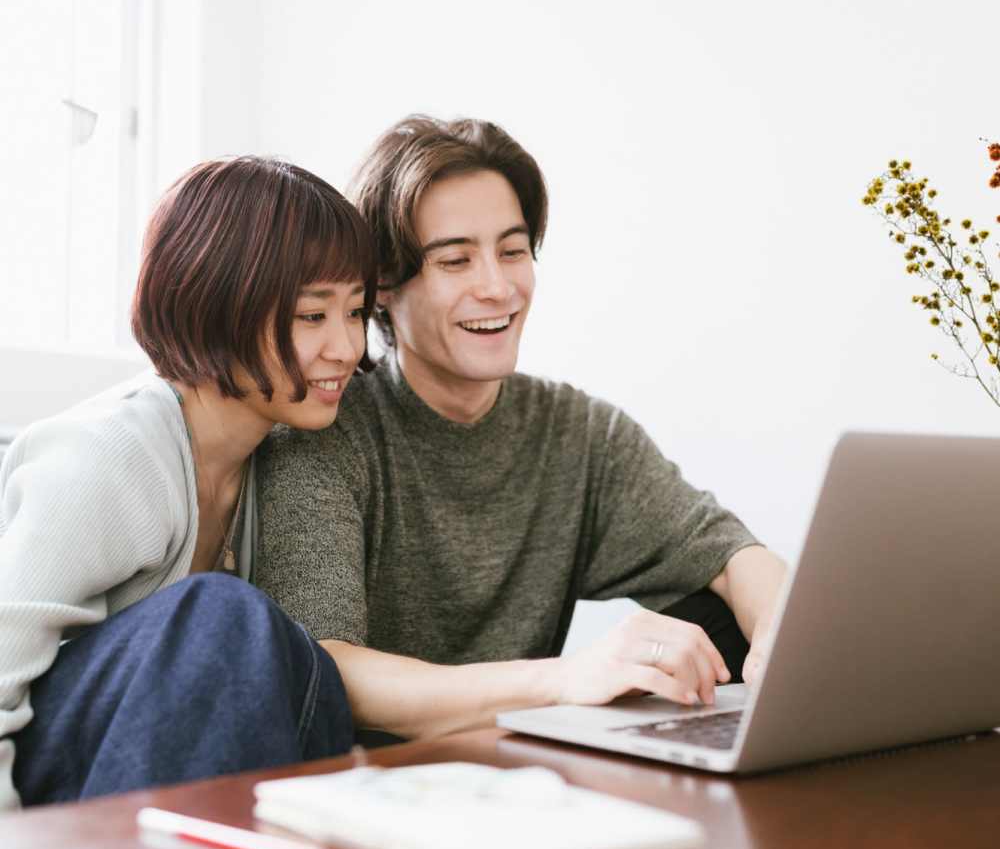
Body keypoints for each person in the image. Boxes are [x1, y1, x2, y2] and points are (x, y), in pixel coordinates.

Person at [254, 117, 787, 742]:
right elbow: (329, 667)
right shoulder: (324, 435)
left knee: (721, 619)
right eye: (456, 260)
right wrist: (565, 680)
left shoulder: (579, 433)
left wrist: (782, 635)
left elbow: (728, 552)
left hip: (525, 786)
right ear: (383, 289)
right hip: (370, 790)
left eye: (512, 251)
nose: (498, 287)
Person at [0, 156, 377, 811]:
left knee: (301, 660)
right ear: (217, 307)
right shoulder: (105, 457)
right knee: (222, 617)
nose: (347, 347)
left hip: (138, 781)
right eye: (312, 317)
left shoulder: (276, 457)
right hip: (43, 799)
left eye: (357, 312)